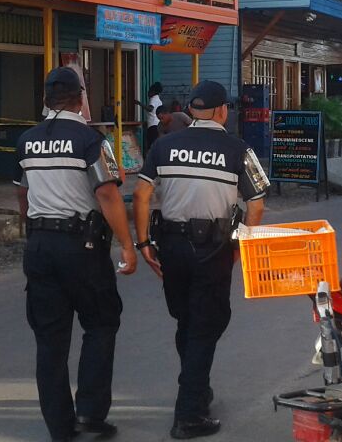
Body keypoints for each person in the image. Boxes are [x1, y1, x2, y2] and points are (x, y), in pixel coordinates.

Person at [134, 80, 269, 439]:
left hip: (171, 246)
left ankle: (198, 388)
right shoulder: (239, 150)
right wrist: (241, 247)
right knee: (206, 325)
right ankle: (189, 415)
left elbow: (141, 194)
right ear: (223, 111)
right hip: (213, 248)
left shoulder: (164, 145)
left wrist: (143, 242)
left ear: (192, 111)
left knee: (187, 321)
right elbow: (256, 205)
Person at [16, 67, 137, 442]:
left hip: (40, 245)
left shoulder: (27, 141)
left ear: (46, 100)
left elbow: (22, 193)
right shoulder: (92, 140)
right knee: (100, 324)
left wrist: (34, 230)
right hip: (81, 247)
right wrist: (127, 244)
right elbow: (108, 193)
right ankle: (90, 414)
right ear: (80, 99)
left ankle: (59, 427)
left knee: (50, 340)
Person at [143, 82, 164, 153]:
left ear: (153, 91)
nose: (148, 93)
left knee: (151, 144)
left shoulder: (153, 99)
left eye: (149, 91)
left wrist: (139, 104)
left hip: (153, 126)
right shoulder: (158, 100)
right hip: (157, 124)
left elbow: (150, 109)